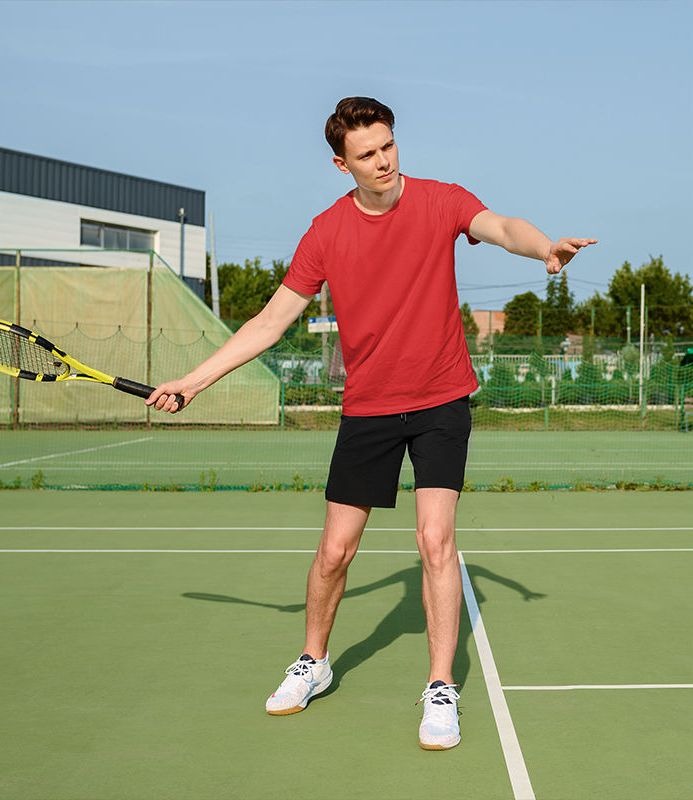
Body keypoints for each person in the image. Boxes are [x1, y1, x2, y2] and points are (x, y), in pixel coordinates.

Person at [147, 97, 596, 750]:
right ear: (342, 164)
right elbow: (269, 323)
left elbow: (501, 226)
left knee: (435, 540)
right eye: (367, 154)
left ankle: (440, 686)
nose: (383, 161)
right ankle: (314, 661)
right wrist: (193, 381)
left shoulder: (440, 201)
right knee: (335, 550)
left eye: (388, 145)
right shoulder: (326, 232)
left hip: (441, 399)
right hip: (369, 408)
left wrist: (543, 249)